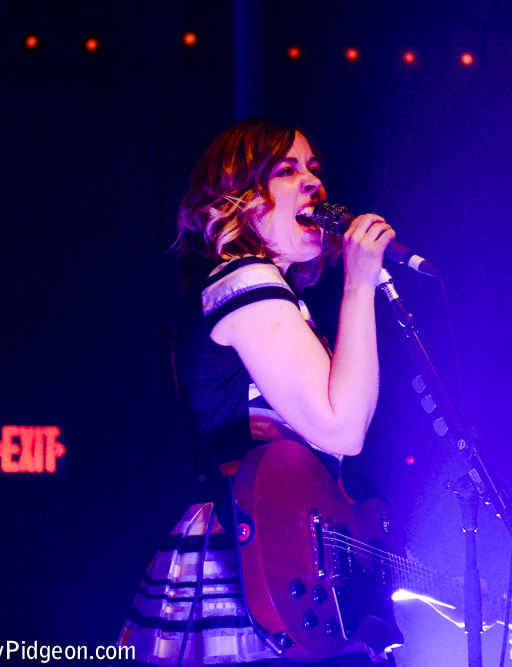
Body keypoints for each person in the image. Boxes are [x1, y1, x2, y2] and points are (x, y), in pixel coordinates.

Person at [116, 118, 396, 666]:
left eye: (315, 169)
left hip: (286, 550)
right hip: (254, 555)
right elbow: (342, 427)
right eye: (287, 171)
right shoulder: (244, 280)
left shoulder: (280, 298)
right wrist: (361, 284)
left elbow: (343, 437)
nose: (314, 184)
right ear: (238, 199)